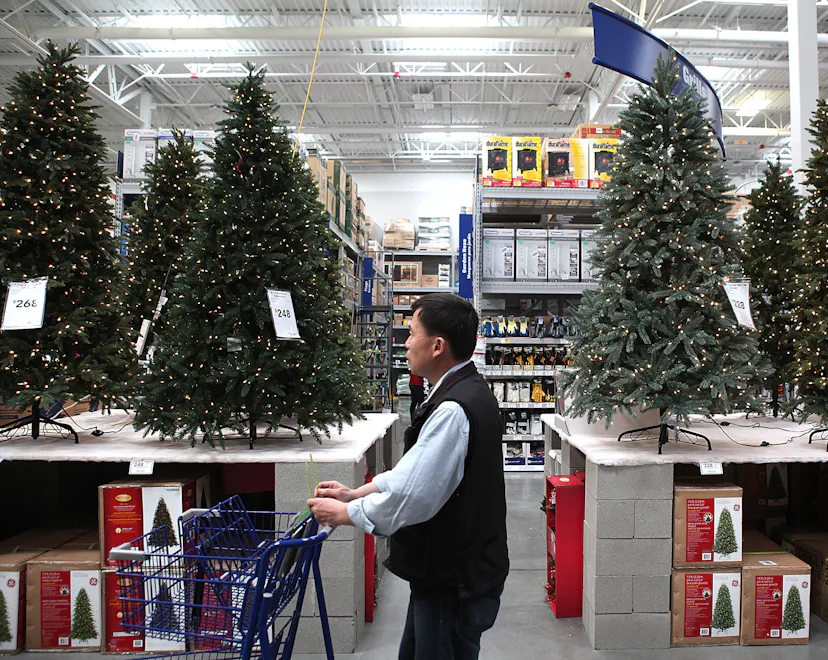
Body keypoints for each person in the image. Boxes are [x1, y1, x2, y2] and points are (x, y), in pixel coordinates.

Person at [308, 292, 508, 660]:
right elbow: (416, 471)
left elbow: (415, 496)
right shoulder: (460, 392)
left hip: (453, 580)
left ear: (437, 345)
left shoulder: (453, 409)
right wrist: (356, 494)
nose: (405, 342)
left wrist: (345, 515)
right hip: (450, 574)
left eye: (412, 333)